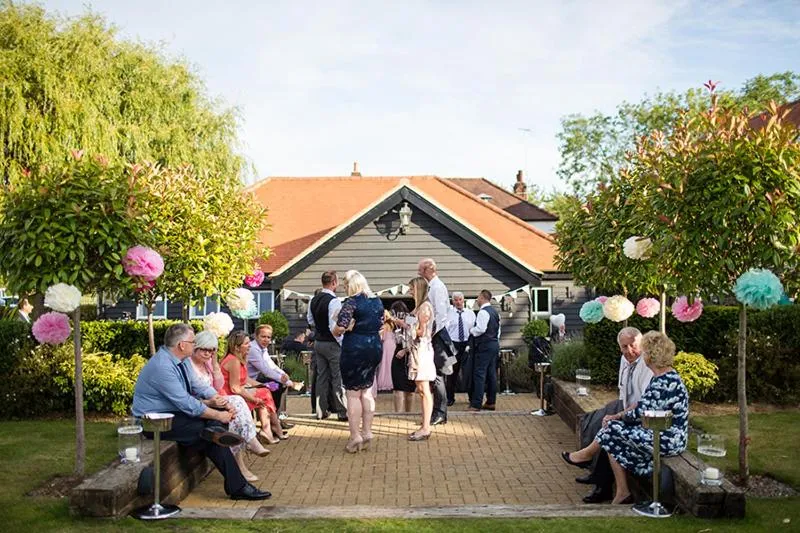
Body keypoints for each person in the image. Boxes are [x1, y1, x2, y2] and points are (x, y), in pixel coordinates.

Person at [132, 323, 271, 501]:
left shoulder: (180, 361)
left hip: (172, 414)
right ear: (182, 345)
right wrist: (219, 415)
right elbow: (187, 403)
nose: (194, 344)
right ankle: (238, 485)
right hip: (154, 421)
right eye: (192, 341)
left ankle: (236, 480)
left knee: (212, 432)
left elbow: (199, 386)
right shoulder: (162, 366)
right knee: (211, 435)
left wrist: (220, 400)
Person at [562, 331, 689, 504]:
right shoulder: (664, 376)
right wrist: (618, 417)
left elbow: (639, 413)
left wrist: (617, 417)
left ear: (650, 356)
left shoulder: (663, 382)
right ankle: (621, 491)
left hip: (668, 438)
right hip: (658, 431)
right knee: (612, 436)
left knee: (611, 429)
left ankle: (587, 455)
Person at [576, 327, 653, 503]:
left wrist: (619, 415)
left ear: (641, 344)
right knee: (595, 420)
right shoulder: (624, 360)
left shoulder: (647, 365)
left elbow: (643, 402)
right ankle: (594, 474)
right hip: (626, 406)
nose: (629, 351)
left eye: (633, 346)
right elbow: (623, 390)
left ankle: (600, 484)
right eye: (624, 347)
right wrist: (617, 412)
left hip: (639, 414)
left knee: (609, 428)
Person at [186, 330, 270, 482]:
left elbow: (218, 385)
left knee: (236, 412)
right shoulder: (188, 366)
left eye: (212, 350)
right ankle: (250, 444)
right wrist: (213, 402)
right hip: (201, 405)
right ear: (195, 347)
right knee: (237, 402)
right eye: (204, 349)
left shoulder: (208, 365)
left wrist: (215, 365)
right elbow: (189, 397)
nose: (208, 353)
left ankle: (244, 457)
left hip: (215, 401)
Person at [332, 270, 384, 453]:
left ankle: (355, 436)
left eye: (346, 286)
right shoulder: (377, 301)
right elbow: (381, 323)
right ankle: (368, 431)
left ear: (350, 286)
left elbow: (339, 328)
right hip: (374, 346)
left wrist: (337, 326)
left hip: (355, 347)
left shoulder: (351, 302)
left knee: (353, 394)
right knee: (367, 391)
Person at [221, 330, 284, 445]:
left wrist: (263, 385)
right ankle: (272, 428)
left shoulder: (240, 358)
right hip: (230, 396)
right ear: (236, 347)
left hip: (237, 392)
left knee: (265, 391)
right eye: (246, 343)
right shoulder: (233, 361)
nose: (249, 345)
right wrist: (253, 399)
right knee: (264, 395)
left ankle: (270, 428)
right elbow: (235, 388)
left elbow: (245, 379)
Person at [417, 258, 455, 426]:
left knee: (438, 376)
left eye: (420, 271)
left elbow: (440, 315)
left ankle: (440, 413)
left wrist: (429, 334)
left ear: (428, 270)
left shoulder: (437, 287)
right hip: (435, 335)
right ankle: (437, 412)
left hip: (438, 335)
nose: (419, 275)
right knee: (435, 376)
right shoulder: (433, 286)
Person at [308, 271, 348, 421]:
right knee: (338, 378)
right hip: (332, 343)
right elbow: (334, 326)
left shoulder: (313, 299)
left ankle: (320, 410)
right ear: (334, 283)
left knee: (321, 377)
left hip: (318, 342)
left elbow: (310, 321)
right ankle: (342, 411)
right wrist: (342, 343)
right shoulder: (334, 301)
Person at [401, 276, 437, 441]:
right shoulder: (418, 307)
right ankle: (425, 424)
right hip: (417, 350)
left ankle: (426, 427)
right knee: (421, 389)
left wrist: (414, 329)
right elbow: (409, 324)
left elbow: (422, 331)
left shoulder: (424, 307)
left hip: (422, 351)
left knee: (424, 389)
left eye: (411, 288)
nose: (409, 291)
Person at [247, 324, 297, 431]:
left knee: (280, 385)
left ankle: (277, 418)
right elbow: (266, 371)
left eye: (268, 337)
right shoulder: (253, 349)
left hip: (253, 380)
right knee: (278, 385)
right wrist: (287, 381)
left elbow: (271, 365)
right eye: (263, 336)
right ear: (256, 336)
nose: (266, 340)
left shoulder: (262, 348)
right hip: (247, 382)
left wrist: (284, 375)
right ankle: (273, 421)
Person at [469, 290, 501, 411]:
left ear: (482, 298)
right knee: (492, 374)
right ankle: (491, 401)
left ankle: (476, 403)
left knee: (479, 374)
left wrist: (471, 331)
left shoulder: (483, 312)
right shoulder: (495, 312)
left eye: (478, 297)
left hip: (485, 345)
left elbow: (481, 329)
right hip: (494, 343)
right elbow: (498, 330)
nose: (477, 300)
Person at [445, 291, 476, 406]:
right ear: (452, 301)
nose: (458, 302)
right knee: (452, 372)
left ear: (464, 300)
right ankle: (450, 397)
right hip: (453, 344)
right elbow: (446, 331)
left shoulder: (470, 313)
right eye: (456, 300)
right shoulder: (448, 314)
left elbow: (474, 330)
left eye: (460, 300)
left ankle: (471, 397)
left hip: (467, 343)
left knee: (468, 371)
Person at [388, 301, 415, 412]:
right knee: (398, 388)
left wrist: (405, 350)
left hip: (410, 353)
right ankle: (398, 414)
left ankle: (409, 413)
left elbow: (415, 337)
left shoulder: (411, 319)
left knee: (410, 389)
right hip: (398, 351)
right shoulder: (392, 323)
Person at [375, 310, 396, 391]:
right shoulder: (392, 324)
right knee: (390, 363)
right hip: (393, 344)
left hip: (386, 344)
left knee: (385, 364)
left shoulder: (384, 326)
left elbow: (381, 337)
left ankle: (385, 383)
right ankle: (392, 382)